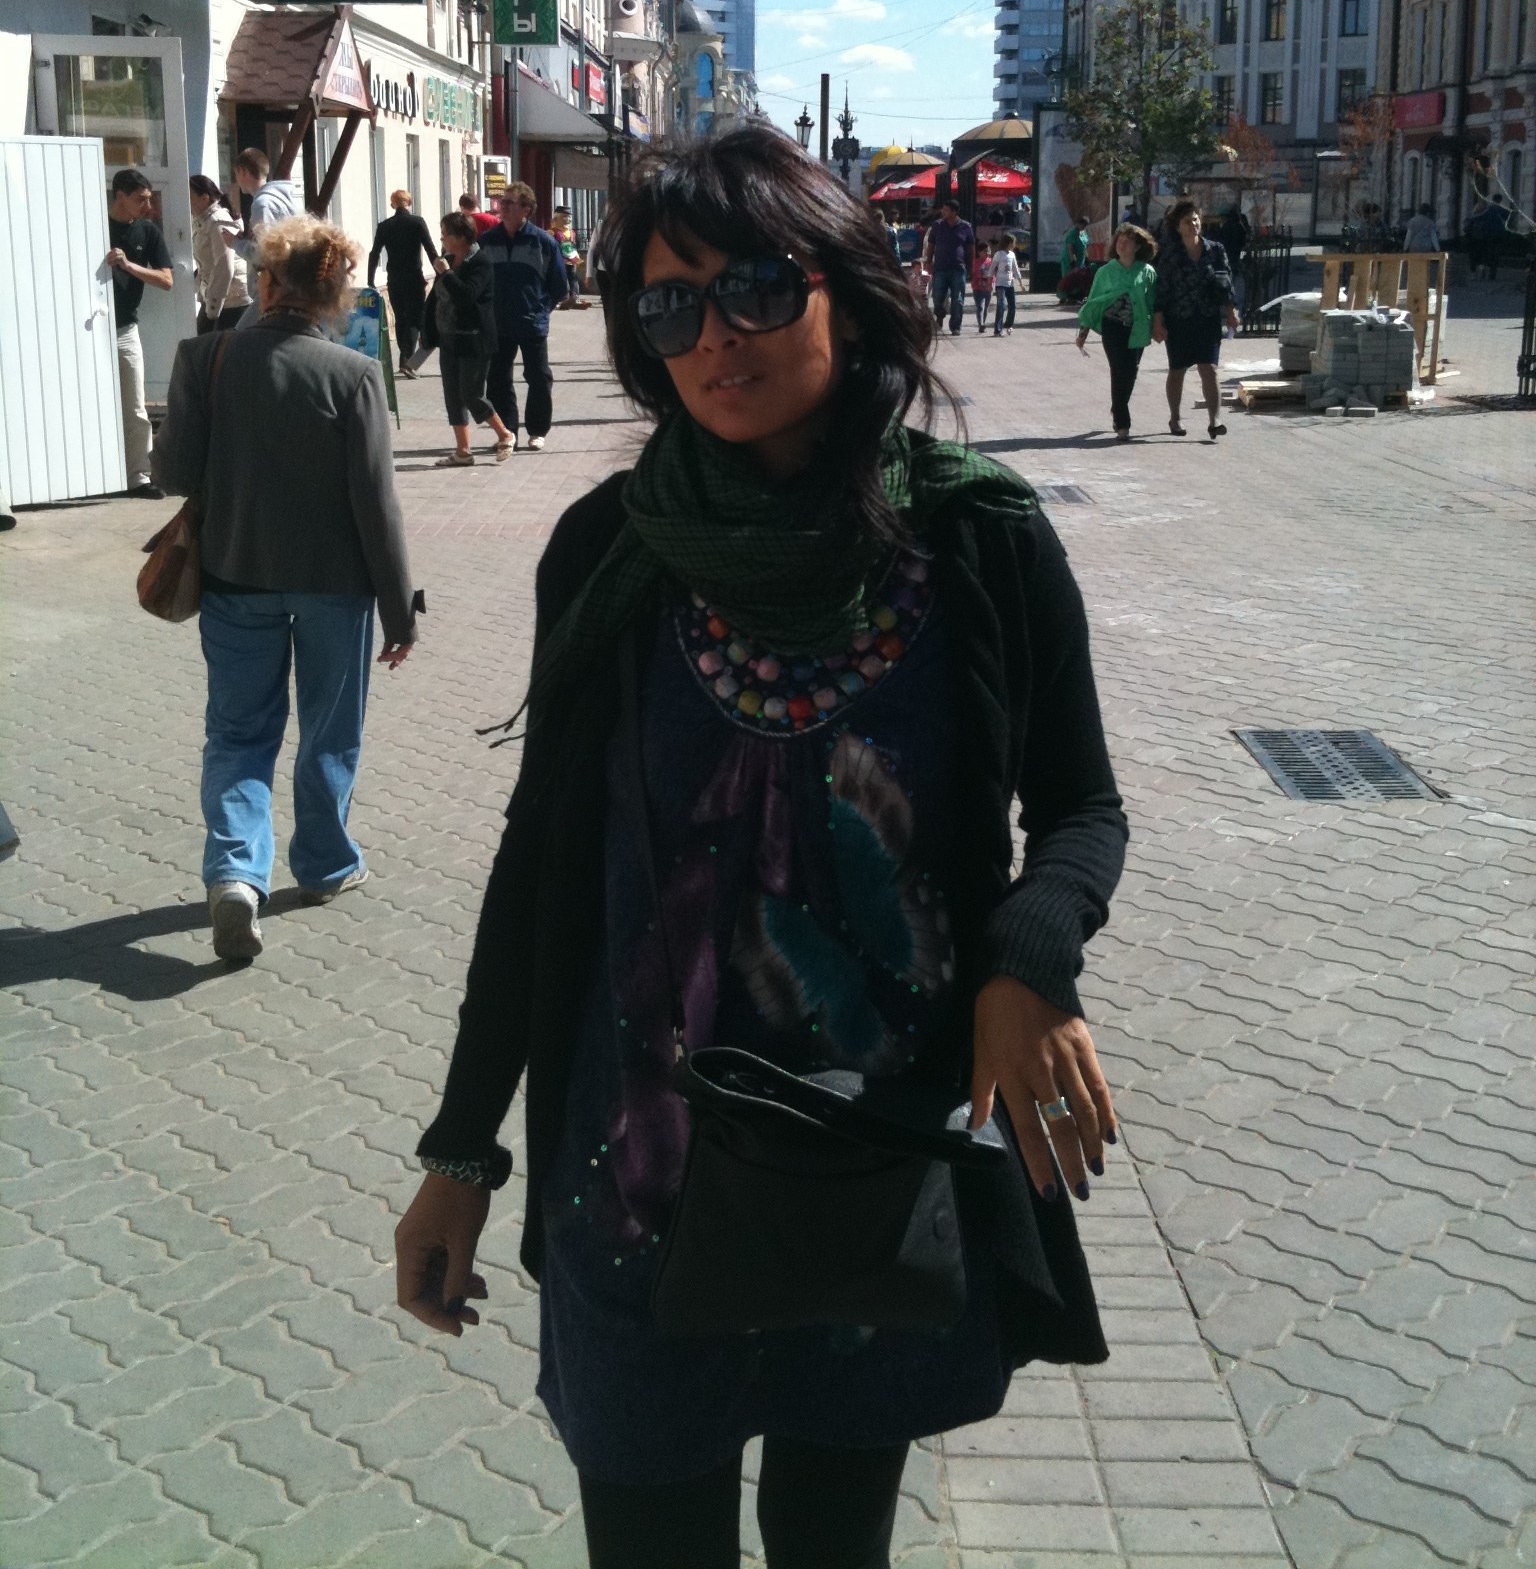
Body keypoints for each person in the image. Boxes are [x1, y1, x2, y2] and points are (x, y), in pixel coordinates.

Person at [395, 126, 1127, 1569]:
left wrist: (1030, 963)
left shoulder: (977, 540)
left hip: (874, 1155)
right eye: (670, 305)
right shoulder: (608, 548)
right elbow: (541, 870)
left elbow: (1083, 808)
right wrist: (463, 1148)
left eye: (755, 287)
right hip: (636, 1175)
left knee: (831, 1541)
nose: (714, 336)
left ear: (848, 290)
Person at [153, 217, 419, 963]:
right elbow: (378, 505)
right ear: (333, 296)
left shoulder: (205, 356)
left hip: (235, 577)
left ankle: (237, 875)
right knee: (330, 730)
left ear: (267, 283)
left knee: (239, 735)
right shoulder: (354, 374)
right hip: (337, 588)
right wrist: (399, 610)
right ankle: (326, 865)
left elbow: (173, 474)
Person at [482, 182, 568, 451]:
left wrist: (541, 310)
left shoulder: (543, 242)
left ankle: (537, 430)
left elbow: (559, 286)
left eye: (510, 203)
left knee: (539, 377)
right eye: (502, 202)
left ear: (526, 209)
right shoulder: (487, 241)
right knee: (498, 380)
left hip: (532, 323)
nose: (503, 207)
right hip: (497, 324)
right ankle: (508, 432)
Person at [106, 167, 173, 500]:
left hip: (125, 329)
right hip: (86, 329)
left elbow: (167, 280)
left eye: (149, 199)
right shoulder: (93, 224)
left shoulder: (147, 231)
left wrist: (129, 265)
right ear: (120, 196)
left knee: (134, 405)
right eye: (141, 199)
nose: (148, 206)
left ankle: (139, 477)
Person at [429, 212, 515, 466]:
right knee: (452, 396)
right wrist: (427, 331)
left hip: (474, 338)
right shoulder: (447, 260)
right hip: (449, 337)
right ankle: (463, 451)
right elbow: (436, 298)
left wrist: (447, 274)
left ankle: (505, 434)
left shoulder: (480, 262)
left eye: (445, 234)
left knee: (471, 394)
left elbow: (467, 296)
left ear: (461, 236)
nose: (442, 238)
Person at [1152, 200, 1239, 441]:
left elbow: (1226, 283)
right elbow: (1162, 289)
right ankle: (1175, 417)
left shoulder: (1216, 250)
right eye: (1187, 221)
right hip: (1178, 319)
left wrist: (1231, 311)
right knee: (1177, 369)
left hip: (1207, 317)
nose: (1193, 224)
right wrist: (1157, 321)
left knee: (1209, 368)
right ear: (1178, 227)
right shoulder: (1170, 254)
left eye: (1196, 219)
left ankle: (1215, 420)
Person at [1075, 224, 1159, 441]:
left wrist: (1158, 326)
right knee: (1119, 369)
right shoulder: (1105, 272)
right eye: (1119, 240)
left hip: (1138, 328)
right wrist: (1083, 331)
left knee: (1131, 371)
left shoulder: (1147, 272)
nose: (1122, 244)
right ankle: (1122, 422)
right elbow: (1093, 302)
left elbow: (1153, 303)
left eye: (1128, 241)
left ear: (1138, 246)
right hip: (1112, 328)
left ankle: (1117, 406)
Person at [368, 189, 438, 373]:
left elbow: (374, 253)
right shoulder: (417, 222)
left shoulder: (384, 226)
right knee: (414, 318)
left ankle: (404, 358)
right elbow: (430, 249)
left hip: (394, 278)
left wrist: (370, 280)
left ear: (392, 204)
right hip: (414, 277)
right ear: (410, 203)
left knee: (400, 318)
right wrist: (441, 273)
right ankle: (406, 360)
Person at [232, 148, 302, 327]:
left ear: (243, 171)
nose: (236, 180)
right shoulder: (281, 199)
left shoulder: (262, 204)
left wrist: (234, 243)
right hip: (288, 285)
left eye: (236, 174)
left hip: (272, 290)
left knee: (242, 336)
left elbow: (265, 254)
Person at [189, 174, 249, 333]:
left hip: (232, 301)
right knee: (203, 343)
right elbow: (205, 265)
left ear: (204, 198)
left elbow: (224, 266)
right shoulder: (202, 221)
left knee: (217, 345)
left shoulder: (217, 221)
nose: (186, 203)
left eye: (190, 197)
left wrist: (213, 307)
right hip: (216, 297)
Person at [923, 199, 974, 336]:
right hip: (940, 268)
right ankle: (940, 314)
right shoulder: (937, 225)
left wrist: (971, 267)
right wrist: (928, 262)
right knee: (937, 296)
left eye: (946, 210)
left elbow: (971, 248)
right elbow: (931, 244)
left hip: (959, 269)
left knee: (958, 299)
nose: (943, 212)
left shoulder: (966, 227)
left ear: (954, 212)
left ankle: (955, 326)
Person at [1464, 196, 1510, 281]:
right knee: (1495, 254)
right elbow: (1508, 216)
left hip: (1489, 235)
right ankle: (1492, 273)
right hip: (1499, 234)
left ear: (1493, 200)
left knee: (1488, 254)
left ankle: (1485, 271)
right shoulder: (1502, 209)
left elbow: (1481, 217)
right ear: (1500, 201)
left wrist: (1470, 219)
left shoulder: (1490, 209)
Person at [990, 233, 1023, 337]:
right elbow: (992, 267)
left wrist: (1021, 283)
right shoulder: (998, 254)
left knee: (1012, 305)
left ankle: (1008, 324)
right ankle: (997, 330)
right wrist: (989, 279)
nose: (1014, 245)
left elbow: (1015, 269)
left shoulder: (1012, 255)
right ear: (1008, 243)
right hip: (1000, 284)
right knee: (1001, 305)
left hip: (1010, 284)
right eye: (1013, 243)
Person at [973, 243, 995, 333]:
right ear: (979, 252)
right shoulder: (976, 262)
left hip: (989, 288)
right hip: (978, 289)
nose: (987, 252)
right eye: (985, 251)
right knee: (980, 307)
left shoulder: (992, 262)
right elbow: (974, 275)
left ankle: (983, 323)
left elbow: (994, 274)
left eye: (988, 250)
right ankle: (981, 324)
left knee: (985, 307)